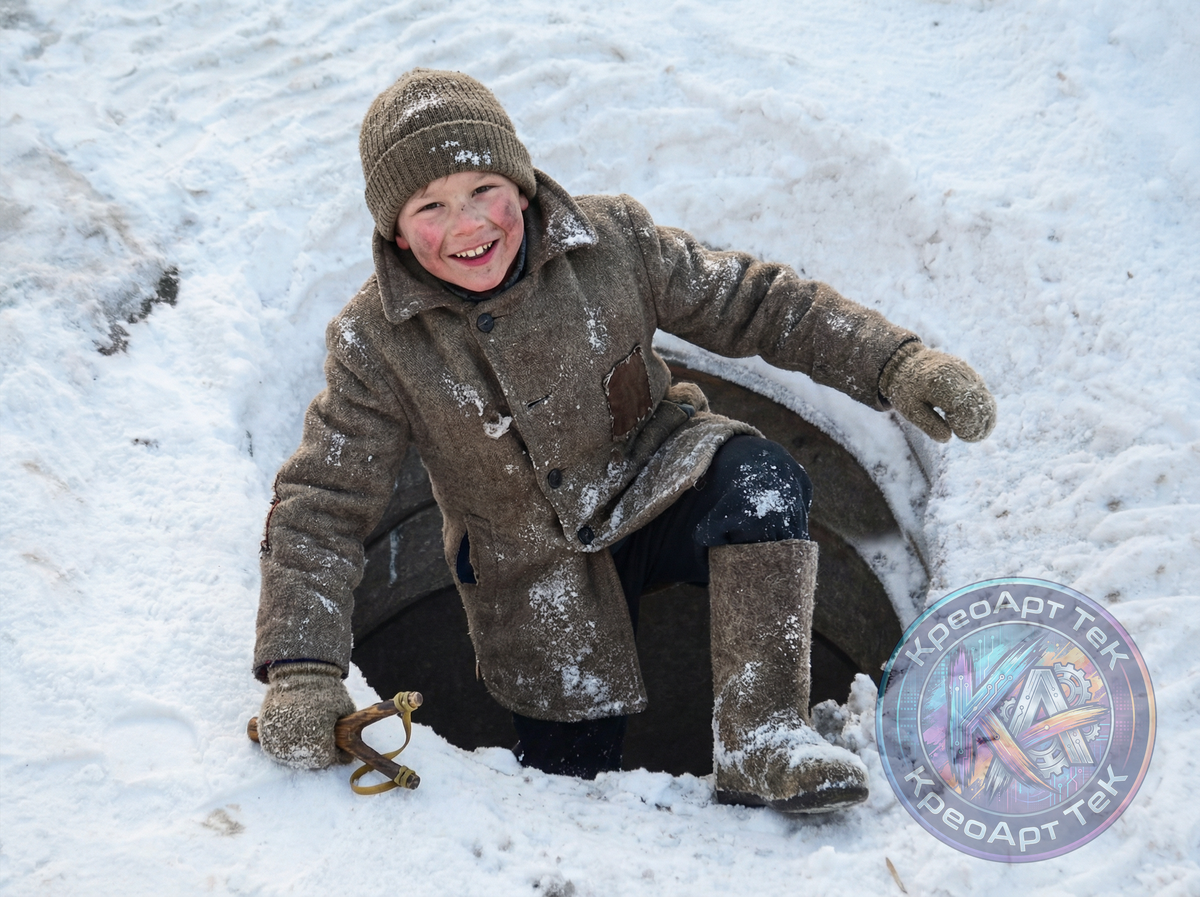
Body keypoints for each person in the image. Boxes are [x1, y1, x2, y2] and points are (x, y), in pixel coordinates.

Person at [252, 69, 996, 813]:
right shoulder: (376, 341)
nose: (469, 226)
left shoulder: (612, 243)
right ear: (394, 227)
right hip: (532, 574)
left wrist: (895, 361)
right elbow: (323, 503)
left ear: (520, 180)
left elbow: (758, 303)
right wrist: (303, 667)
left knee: (760, 483)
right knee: (568, 791)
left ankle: (762, 735)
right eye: (431, 207)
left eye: (484, 189)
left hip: (658, 479)